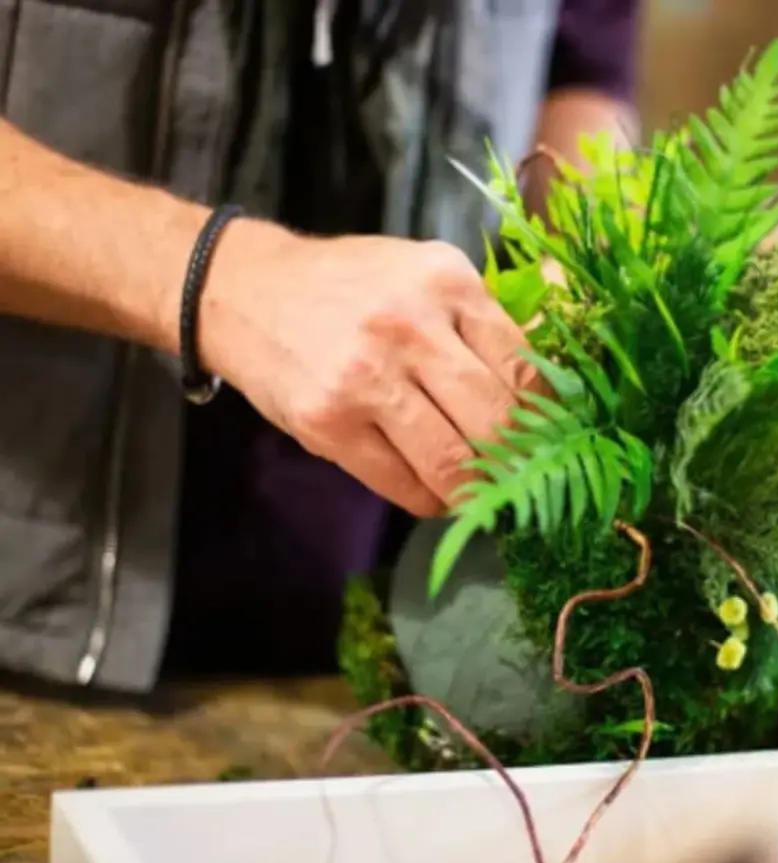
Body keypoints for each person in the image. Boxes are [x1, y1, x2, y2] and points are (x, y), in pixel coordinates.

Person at [0, 0, 640, 690]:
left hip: (375, 634)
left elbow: (580, 72)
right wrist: (217, 281)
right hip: (34, 611)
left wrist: (600, 264)